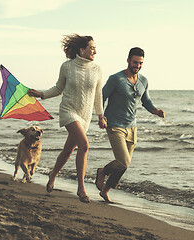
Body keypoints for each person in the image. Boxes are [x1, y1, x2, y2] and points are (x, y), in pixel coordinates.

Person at [29, 34, 107, 203]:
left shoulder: (97, 69)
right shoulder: (67, 67)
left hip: (85, 116)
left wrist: (101, 115)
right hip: (69, 110)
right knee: (84, 145)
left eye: (95, 48)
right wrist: (41, 94)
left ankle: (53, 174)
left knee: (68, 150)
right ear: (82, 50)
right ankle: (81, 188)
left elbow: (98, 94)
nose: (95, 51)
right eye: (92, 48)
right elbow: (58, 88)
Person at [96, 47, 165, 203]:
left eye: (140, 63)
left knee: (123, 165)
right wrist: (101, 116)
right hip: (114, 125)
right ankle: (102, 171)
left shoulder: (143, 81)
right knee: (123, 161)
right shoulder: (116, 79)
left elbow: (146, 101)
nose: (137, 66)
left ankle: (105, 191)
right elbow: (101, 96)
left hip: (132, 127)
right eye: (135, 62)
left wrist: (156, 111)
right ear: (128, 60)